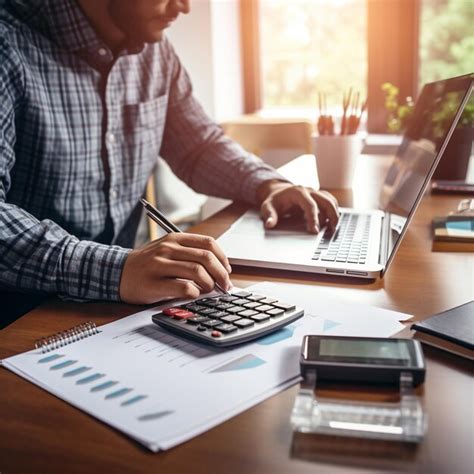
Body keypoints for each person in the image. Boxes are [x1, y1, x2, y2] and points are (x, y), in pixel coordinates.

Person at [0, 0, 339, 307]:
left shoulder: (154, 52)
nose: (184, 7)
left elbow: (199, 146)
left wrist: (268, 185)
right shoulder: (8, 44)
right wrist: (115, 269)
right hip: (20, 310)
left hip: (115, 309)